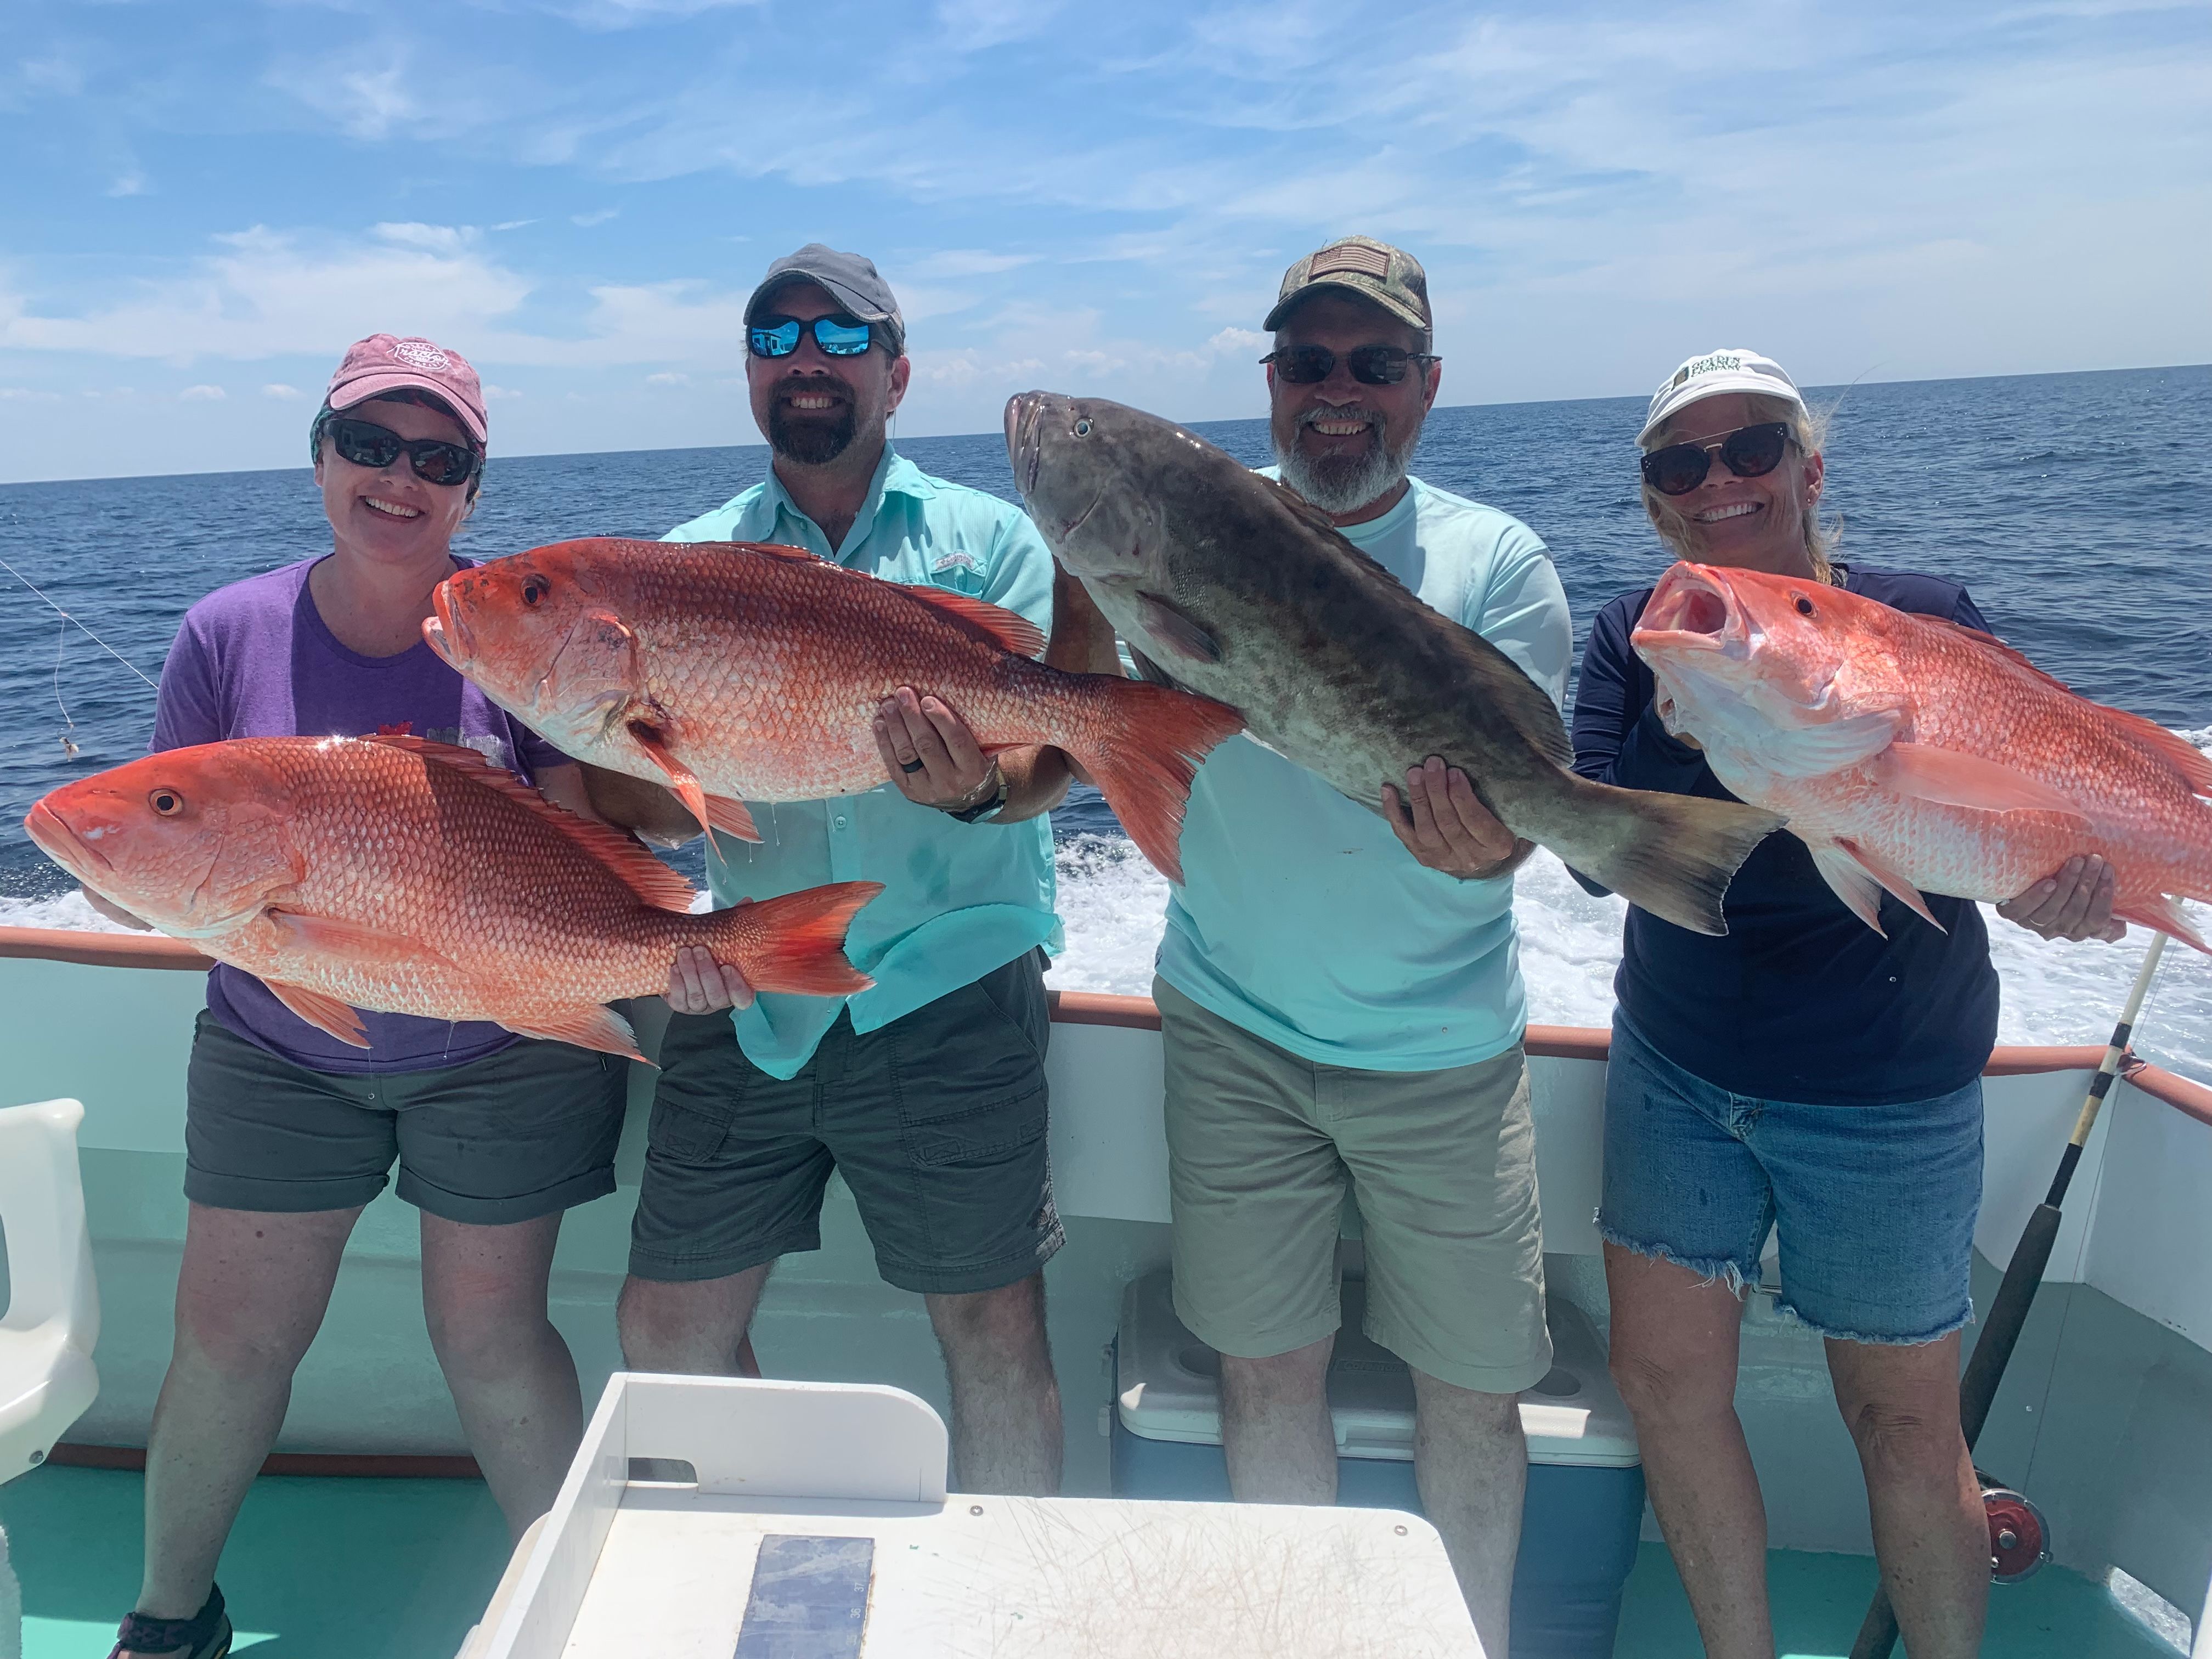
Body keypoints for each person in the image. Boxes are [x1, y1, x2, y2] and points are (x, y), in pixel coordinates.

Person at [1054, 235, 1570, 1651]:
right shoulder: (1172, 529)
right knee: (1263, 1377)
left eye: (1375, 364)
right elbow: (1074, 732)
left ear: (1428, 385)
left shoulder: (1499, 562)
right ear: (1270, 382)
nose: (1339, 392)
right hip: (1236, 1036)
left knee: (1477, 1395)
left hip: (1447, 1053)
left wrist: (1509, 840)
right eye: (1309, 364)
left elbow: (1527, 808)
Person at [1572, 347, 2123, 1659]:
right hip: (1681, 1070)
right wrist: (1687, 722)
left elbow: (2028, 808)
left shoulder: (1922, 620)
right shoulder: (1633, 636)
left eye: (1751, 448)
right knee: (1665, 1389)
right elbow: (1596, 851)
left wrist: (2071, 888)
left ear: (1810, 470)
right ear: (1657, 500)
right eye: (1679, 463)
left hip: (1889, 1094)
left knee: (1908, 1427)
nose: (1718, 481)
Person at [98, 336, 634, 1659]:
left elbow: (579, 838)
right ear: (321, 454)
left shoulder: (517, 631)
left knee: (494, 1342)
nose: (400, 479)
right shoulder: (224, 632)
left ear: (471, 490)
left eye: (437, 458)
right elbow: (160, 834)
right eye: (371, 445)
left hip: (504, 1042)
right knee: (227, 1343)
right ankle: (168, 1620)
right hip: (279, 1045)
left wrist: (654, 946)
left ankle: (577, 1620)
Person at [595, 245, 1077, 1496]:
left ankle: (997, 1606)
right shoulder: (682, 564)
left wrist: (974, 785)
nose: (806, 361)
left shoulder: (989, 542)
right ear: (751, 379)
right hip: (751, 991)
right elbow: (640, 810)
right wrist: (636, 736)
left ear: (898, 373)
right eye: (777, 341)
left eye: (842, 339)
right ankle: (763, 1556)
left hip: (953, 988)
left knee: (993, 1331)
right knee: (664, 1326)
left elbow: (1049, 760)